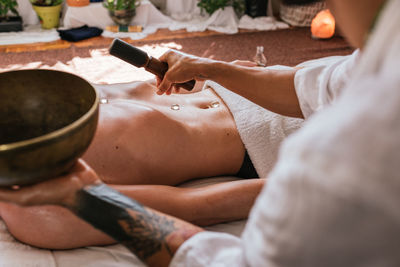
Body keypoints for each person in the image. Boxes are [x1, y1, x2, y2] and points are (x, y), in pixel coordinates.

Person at [2, 0, 399, 266]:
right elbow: (197, 206)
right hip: (261, 130)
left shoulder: (352, 152)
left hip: (273, 116)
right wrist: (214, 70)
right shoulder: (35, 207)